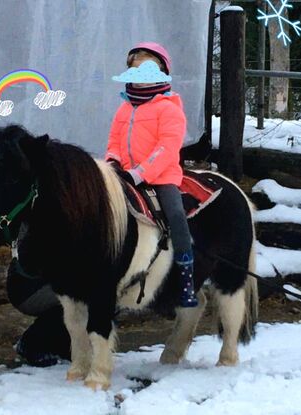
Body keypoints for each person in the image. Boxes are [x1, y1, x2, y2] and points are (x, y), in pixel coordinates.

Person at [106, 41, 198, 308]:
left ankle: (186, 278)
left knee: (177, 216)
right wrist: (113, 162)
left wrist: (141, 172)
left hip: (161, 177)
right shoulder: (124, 108)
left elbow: (167, 148)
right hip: (124, 175)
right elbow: (113, 141)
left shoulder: (169, 109)